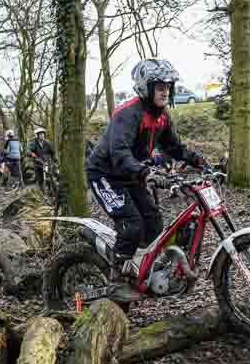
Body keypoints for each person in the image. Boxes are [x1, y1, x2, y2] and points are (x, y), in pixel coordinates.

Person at [85, 58, 205, 302]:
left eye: (168, 87)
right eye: (160, 87)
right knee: (132, 223)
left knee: (153, 223)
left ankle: (137, 269)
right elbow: (119, 152)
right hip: (105, 173)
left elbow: (173, 146)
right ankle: (116, 279)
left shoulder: (161, 117)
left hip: (132, 174)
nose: (166, 91)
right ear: (146, 88)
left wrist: (198, 160)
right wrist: (145, 173)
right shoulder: (127, 114)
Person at [27, 128, 55, 192]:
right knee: (40, 178)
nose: (42, 136)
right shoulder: (34, 143)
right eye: (40, 134)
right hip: (38, 163)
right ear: (37, 135)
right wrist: (31, 154)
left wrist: (54, 160)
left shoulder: (47, 143)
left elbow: (52, 153)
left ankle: (51, 190)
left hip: (47, 162)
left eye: (43, 134)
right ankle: (42, 191)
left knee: (50, 177)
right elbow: (28, 151)